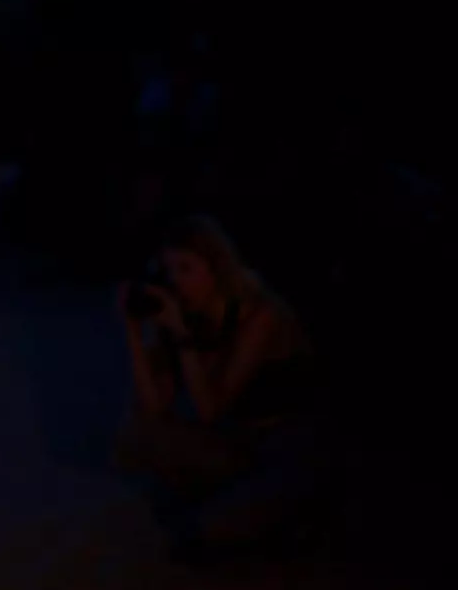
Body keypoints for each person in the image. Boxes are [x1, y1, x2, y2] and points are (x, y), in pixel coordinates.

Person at [113, 215, 322, 558]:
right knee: (135, 434)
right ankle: (239, 499)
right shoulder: (182, 314)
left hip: (287, 444)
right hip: (238, 441)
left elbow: (211, 409)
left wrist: (181, 335)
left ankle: (282, 506)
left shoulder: (259, 314)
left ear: (217, 269)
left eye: (186, 269)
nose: (175, 282)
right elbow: (153, 409)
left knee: (208, 531)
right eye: (168, 270)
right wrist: (134, 332)